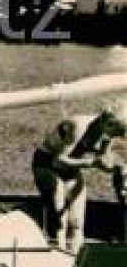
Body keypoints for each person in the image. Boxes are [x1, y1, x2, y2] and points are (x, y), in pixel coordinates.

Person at [32, 100, 127, 252]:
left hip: (70, 169)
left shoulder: (107, 135)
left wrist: (116, 168)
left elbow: (102, 159)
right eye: (120, 131)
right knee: (60, 215)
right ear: (108, 123)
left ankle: (76, 258)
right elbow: (58, 161)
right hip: (46, 164)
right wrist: (89, 162)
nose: (121, 136)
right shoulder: (78, 127)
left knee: (76, 222)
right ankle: (58, 251)